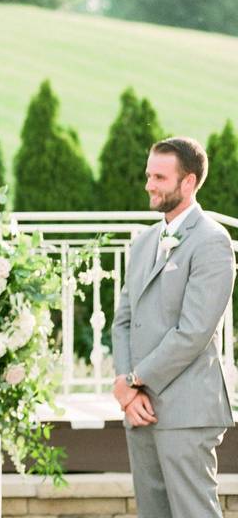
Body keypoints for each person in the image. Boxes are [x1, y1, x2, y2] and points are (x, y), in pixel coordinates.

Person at [112, 137, 236, 518]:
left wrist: (135, 379)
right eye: (149, 174)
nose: (149, 184)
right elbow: (123, 320)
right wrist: (127, 388)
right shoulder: (145, 240)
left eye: (160, 177)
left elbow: (194, 331)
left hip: (187, 409)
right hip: (140, 408)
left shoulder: (213, 242)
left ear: (188, 182)